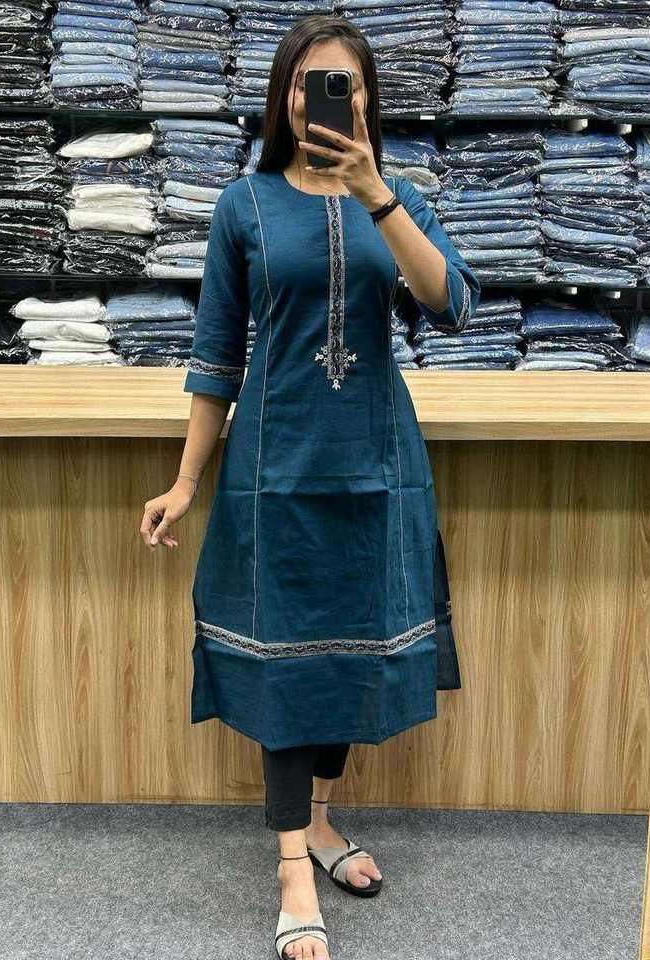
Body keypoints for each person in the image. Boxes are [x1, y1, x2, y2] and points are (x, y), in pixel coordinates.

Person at [140, 15, 481, 960]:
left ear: (367, 98)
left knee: (349, 654)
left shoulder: (399, 197)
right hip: (274, 469)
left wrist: (376, 194)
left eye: (340, 83)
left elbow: (452, 304)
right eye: (304, 82)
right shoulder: (243, 205)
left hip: (376, 468)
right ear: (281, 97)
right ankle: (293, 863)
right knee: (286, 658)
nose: (319, 99)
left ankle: (322, 821)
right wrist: (184, 481)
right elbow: (216, 355)